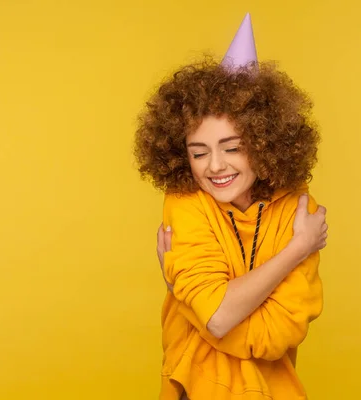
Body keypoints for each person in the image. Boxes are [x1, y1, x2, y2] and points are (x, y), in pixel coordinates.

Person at [134, 13, 328, 400]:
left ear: (264, 142)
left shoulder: (298, 208)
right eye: (199, 152)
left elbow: (276, 334)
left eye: (233, 148)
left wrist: (193, 303)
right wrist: (296, 250)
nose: (215, 166)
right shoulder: (186, 201)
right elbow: (220, 319)